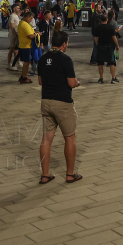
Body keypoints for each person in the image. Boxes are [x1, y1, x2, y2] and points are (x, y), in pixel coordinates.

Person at [37, 31, 81, 185]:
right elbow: (71, 83)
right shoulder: (65, 59)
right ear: (64, 44)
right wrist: (77, 83)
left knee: (46, 139)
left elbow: (40, 81)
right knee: (69, 137)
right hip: (62, 102)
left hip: (46, 101)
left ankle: (45, 175)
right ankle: (70, 174)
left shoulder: (42, 59)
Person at [93, 10, 120, 83]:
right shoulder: (110, 27)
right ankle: (113, 78)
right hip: (109, 47)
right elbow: (114, 37)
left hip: (101, 46)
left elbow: (95, 38)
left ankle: (101, 78)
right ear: (107, 19)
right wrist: (117, 45)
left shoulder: (98, 27)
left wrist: (98, 43)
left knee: (100, 63)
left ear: (101, 20)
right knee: (112, 63)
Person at [17, 10, 38, 84]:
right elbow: (30, 35)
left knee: (27, 62)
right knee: (27, 62)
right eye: (31, 18)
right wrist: (36, 35)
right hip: (26, 46)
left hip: (23, 45)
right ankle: (23, 77)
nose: (31, 20)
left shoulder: (22, 23)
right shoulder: (24, 24)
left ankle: (23, 76)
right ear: (27, 17)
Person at [7, 3, 23, 71]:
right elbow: (12, 26)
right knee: (12, 49)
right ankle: (9, 63)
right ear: (14, 9)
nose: (19, 9)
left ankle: (17, 62)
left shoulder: (16, 16)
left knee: (16, 49)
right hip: (13, 34)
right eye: (18, 8)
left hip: (16, 34)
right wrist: (15, 34)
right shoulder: (12, 16)